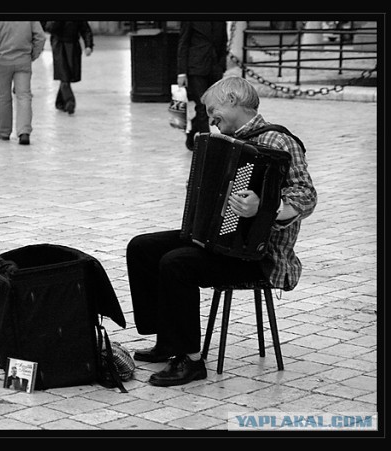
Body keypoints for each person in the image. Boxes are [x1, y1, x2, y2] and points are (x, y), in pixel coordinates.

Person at [126, 76, 317, 387]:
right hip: (222, 242)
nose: (210, 117)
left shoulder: (279, 142)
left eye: (212, 109)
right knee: (142, 247)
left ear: (232, 101)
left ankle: (190, 361)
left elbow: (307, 197)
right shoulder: (223, 143)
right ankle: (168, 339)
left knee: (177, 263)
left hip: (258, 255)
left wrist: (264, 208)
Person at [0, 21, 46, 145]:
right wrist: (33, 55)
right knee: (24, 96)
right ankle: (24, 131)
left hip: (3, 60)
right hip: (23, 59)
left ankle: (4, 132)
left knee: (4, 97)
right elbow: (40, 37)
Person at [177, 21, 227, 150]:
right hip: (195, 67)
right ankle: (206, 145)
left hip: (214, 67)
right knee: (202, 105)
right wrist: (181, 72)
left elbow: (223, 40)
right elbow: (184, 42)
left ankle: (192, 131)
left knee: (212, 106)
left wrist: (221, 65)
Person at [44, 21, 93, 115]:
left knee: (68, 75)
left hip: (73, 46)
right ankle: (70, 102)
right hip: (59, 46)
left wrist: (88, 45)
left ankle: (60, 103)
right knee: (64, 74)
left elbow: (85, 29)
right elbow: (48, 27)